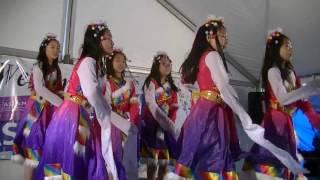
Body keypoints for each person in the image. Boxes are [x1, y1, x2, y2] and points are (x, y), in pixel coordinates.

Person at [12, 34, 63, 180]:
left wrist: (65, 98)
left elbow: (57, 89)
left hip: (51, 112)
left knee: (51, 146)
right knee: (32, 149)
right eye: (52, 47)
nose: (55, 51)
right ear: (44, 49)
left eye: (58, 48)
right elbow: (40, 89)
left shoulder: (56, 69)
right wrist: (60, 102)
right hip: (37, 111)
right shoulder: (38, 66)